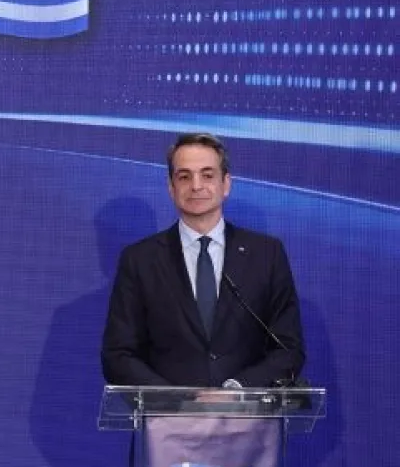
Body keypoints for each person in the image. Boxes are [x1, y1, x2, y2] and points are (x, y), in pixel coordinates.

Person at [101, 133, 305, 389]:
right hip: (167, 413)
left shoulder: (266, 254)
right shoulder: (140, 260)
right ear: (171, 187)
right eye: (184, 176)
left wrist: (236, 390)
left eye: (207, 175)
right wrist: (175, 400)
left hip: (247, 410)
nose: (196, 186)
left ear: (226, 184)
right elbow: (118, 355)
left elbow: (288, 349)